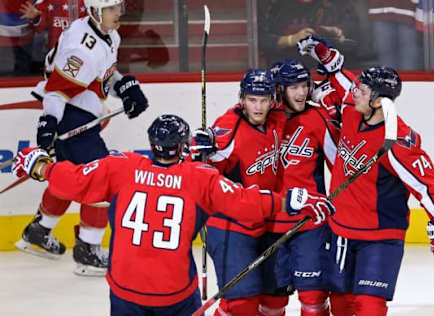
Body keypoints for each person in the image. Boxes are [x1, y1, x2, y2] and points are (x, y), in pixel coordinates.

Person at [12, 114, 333, 316]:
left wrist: (40, 165)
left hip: (125, 287)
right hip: (174, 292)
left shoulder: (120, 167)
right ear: (182, 146)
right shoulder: (199, 178)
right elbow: (246, 202)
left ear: (152, 144)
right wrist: (291, 199)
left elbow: (72, 181)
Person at [298, 35, 434, 315]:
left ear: (377, 100)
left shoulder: (396, 141)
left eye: (362, 90)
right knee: (341, 305)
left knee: (369, 307)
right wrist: (325, 56)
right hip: (341, 231)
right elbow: (341, 79)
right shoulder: (351, 110)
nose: (355, 93)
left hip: (380, 237)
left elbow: (424, 183)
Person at [14, 0, 149, 277]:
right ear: (96, 12)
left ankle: (39, 232)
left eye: (118, 7)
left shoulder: (109, 34)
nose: (118, 13)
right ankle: (88, 250)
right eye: (111, 9)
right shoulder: (81, 48)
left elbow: (102, 77)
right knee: (101, 178)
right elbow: (57, 92)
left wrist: (124, 86)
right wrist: (49, 123)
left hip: (81, 111)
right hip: (70, 114)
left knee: (70, 175)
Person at [193, 69, 288, 316]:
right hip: (230, 225)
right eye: (252, 100)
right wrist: (201, 151)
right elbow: (203, 174)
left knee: (275, 300)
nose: (258, 107)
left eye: (263, 100)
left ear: (272, 100)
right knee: (241, 303)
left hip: (268, 221)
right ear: (242, 99)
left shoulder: (278, 117)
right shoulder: (227, 128)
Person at [257, 59, 339, 316]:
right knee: (271, 303)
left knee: (313, 299)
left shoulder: (318, 118)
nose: (301, 92)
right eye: (293, 87)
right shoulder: (263, 118)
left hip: (310, 224)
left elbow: (340, 164)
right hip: (270, 224)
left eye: (304, 85)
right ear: (279, 90)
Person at [20, 0, 87, 50]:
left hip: (81, 52)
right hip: (54, 52)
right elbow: (39, 28)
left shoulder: (88, 2)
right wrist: (36, 18)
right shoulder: (45, 2)